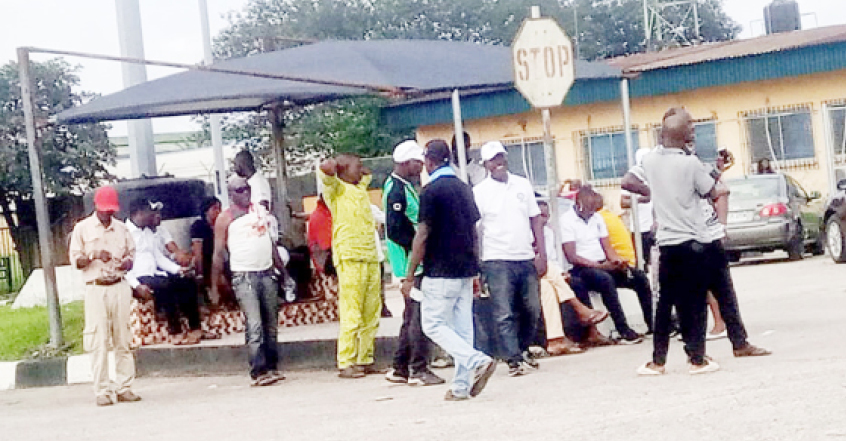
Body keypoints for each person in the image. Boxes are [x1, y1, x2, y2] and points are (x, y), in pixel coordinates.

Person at [622, 107, 727, 375]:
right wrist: (716, 171)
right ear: (683, 136)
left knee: (664, 303)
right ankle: (697, 359)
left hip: (667, 242)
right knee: (694, 304)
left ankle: (658, 362)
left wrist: (653, 191)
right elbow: (711, 191)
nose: (693, 131)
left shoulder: (652, 161)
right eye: (691, 128)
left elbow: (629, 180)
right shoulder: (689, 163)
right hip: (693, 240)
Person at [401, 139, 497, 401]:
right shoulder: (465, 188)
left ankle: (476, 360)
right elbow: (475, 232)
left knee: (432, 324)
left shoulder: (431, 191)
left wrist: (410, 275)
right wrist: (477, 269)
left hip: (439, 270)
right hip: (465, 269)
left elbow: (422, 234)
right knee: (463, 329)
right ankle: (461, 387)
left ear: (430, 161)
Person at [473, 140, 547, 376]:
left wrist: (541, 253)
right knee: (503, 312)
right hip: (496, 258)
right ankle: (513, 359)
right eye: (493, 159)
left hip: (524, 256)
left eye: (501, 157)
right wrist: (477, 264)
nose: (499, 163)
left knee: (532, 308)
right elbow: (476, 231)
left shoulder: (522, 185)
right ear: (485, 164)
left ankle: (523, 348)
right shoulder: (479, 192)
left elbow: (535, 218)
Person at [211, 176, 287, 386]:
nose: (245, 193)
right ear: (231, 194)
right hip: (244, 276)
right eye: (239, 190)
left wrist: (283, 272)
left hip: (266, 271)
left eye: (247, 189)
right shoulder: (225, 218)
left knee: (270, 323)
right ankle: (258, 370)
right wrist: (215, 286)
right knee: (254, 324)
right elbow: (218, 253)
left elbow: (269, 242)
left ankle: (272, 366)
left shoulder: (258, 211)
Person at [68, 186, 138, 406]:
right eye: (105, 210)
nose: (108, 214)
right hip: (96, 287)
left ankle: (124, 387)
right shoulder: (82, 229)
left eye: (111, 210)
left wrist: (127, 263)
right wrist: (94, 255)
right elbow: (76, 261)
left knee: (123, 338)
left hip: (118, 285)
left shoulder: (122, 229)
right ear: (96, 207)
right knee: (98, 339)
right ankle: (102, 390)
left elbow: (131, 255)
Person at [382, 140, 445, 386]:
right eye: (418, 163)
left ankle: (400, 366)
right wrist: (419, 248)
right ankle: (418, 368)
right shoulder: (396, 190)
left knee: (410, 316)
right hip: (411, 264)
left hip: (413, 262)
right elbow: (396, 228)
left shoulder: (404, 186)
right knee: (419, 316)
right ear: (406, 163)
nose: (422, 167)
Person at [699, 150, 771, 356]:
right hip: (688, 234)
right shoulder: (674, 165)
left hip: (709, 233)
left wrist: (721, 226)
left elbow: (719, 190)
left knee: (724, 291)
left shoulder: (695, 163)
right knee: (693, 293)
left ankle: (739, 342)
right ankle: (696, 353)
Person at [319, 154, 384, 378]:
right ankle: (346, 361)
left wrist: (354, 166)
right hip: (350, 258)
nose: (361, 169)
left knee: (371, 313)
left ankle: (365, 358)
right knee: (352, 312)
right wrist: (337, 165)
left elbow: (367, 173)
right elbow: (326, 169)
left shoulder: (360, 188)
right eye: (355, 167)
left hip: (370, 257)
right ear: (343, 170)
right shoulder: (335, 190)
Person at [560, 187, 652, 343]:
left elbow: (607, 248)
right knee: (605, 280)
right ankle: (623, 330)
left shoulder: (597, 218)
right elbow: (572, 256)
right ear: (578, 204)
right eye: (588, 209)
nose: (591, 212)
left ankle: (652, 323)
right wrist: (599, 266)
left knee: (638, 277)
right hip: (582, 268)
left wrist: (618, 261)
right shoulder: (566, 221)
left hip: (602, 263)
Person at [126, 198, 203, 345]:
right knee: (166, 286)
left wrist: (179, 270)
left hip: (155, 274)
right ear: (139, 213)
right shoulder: (125, 233)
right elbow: (122, 266)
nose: (152, 215)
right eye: (149, 212)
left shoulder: (147, 232)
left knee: (186, 281)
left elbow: (158, 257)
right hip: (138, 277)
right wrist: (136, 285)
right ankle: (175, 331)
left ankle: (195, 328)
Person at [535, 200, 608, 356]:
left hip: (549, 276)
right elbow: (538, 263)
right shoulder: (527, 233)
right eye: (540, 216)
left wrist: (562, 272)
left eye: (546, 216)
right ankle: (581, 310)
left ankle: (559, 339)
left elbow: (555, 259)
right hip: (532, 274)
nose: (544, 220)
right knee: (558, 281)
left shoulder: (549, 232)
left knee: (573, 283)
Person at [621, 149, 655, 271]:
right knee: (641, 262)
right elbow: (623, 202)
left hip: (654, 227)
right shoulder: (632, 179)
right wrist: (640, 199)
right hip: (639, 228)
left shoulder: (653, 176)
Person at [190, 197, 226, 304]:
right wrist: (199, 273)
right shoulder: (199, 226)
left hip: (222, 261)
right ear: (206, 210)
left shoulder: (221, 225)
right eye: (215, 209)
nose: (218, 212)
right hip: (207, 263)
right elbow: (198, 252)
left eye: (220, 208)